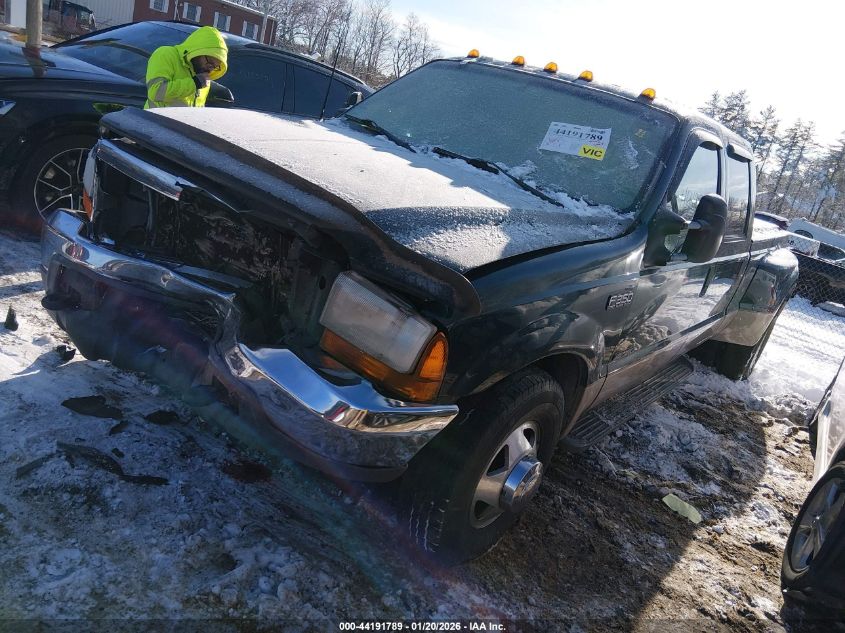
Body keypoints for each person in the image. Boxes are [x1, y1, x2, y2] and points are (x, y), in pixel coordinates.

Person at [145, 26, 228, 109]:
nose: (211, 68)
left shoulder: (202, 78)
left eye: (215, 66)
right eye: (210, 62)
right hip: (153, 117)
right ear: (198, 52)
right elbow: (155, 93)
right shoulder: (166, 54)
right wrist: (194, 84)